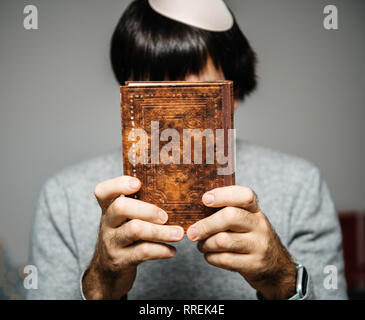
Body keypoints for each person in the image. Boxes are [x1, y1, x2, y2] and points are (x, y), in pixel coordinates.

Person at [27, 0, 347, 300]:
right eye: (157, 93)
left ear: (230, 98)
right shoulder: (63, 196)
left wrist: (281, 277)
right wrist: (101, 283)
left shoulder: (300, 184)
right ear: (128, 100)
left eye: (196, 95)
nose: (175, 117)